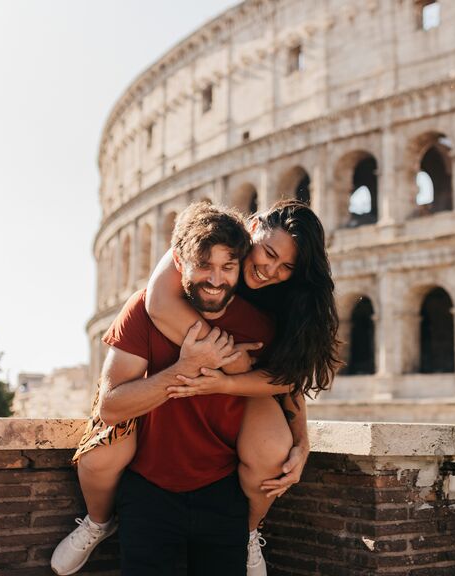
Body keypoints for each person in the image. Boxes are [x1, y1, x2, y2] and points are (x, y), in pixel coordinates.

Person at [51, 200, 340, 575]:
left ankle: (248, 531)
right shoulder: (197, 248)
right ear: (251, 230)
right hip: (156, 450)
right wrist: (215, 361)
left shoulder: (282, 304)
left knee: (274, 450)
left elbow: (288, 379)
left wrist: (301, 441)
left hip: (228, 430)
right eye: (267, 253)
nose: (270, 270)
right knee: (102, 451)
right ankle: (97, 520)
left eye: (286, 266)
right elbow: (157, 301)